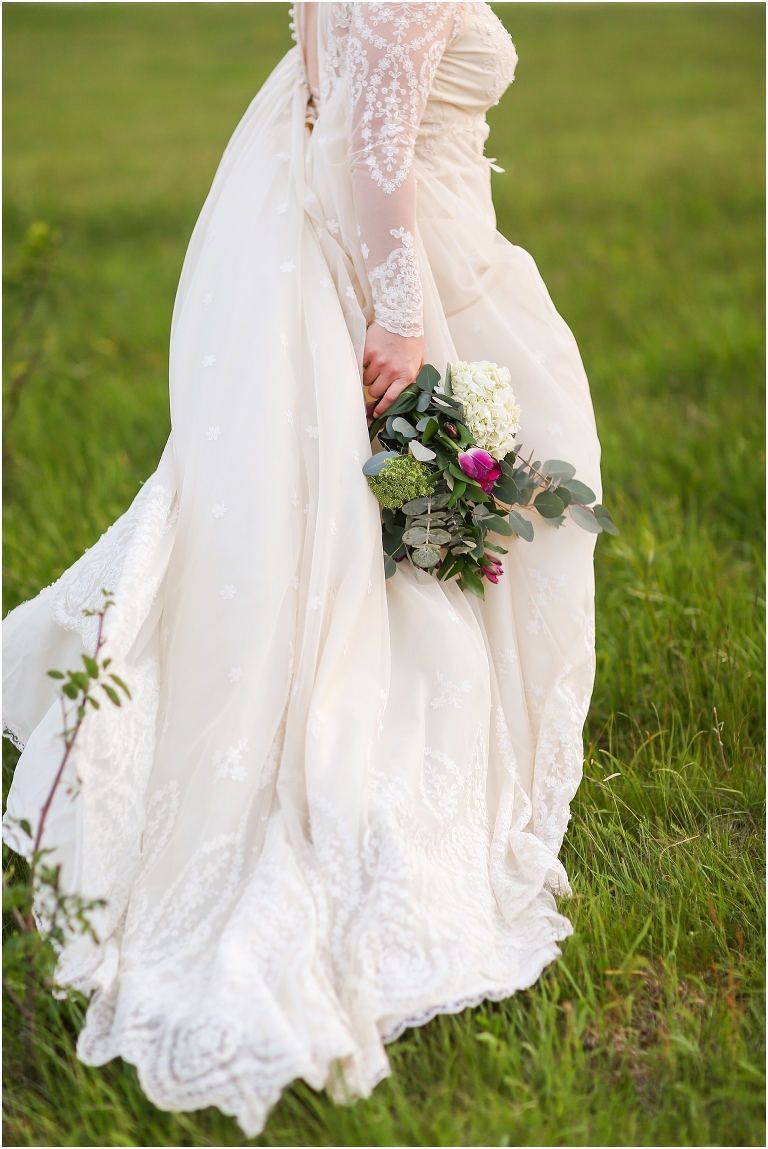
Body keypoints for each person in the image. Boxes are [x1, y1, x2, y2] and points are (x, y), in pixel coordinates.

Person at [2, 3, 601, 1136]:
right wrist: (403, 318)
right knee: (386, 563)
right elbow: (374, 138)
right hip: (405, 259)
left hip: (412, 231)